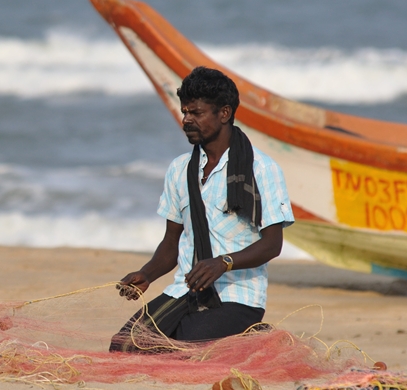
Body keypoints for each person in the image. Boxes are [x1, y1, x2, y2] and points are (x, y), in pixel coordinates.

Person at [110, 66, 293, 353]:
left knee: (177, 351)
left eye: (196, 113)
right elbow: (171, 243)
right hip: (184, 293)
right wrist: (146, 275)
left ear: (224, 113)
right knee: (123, 348)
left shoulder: (263, 169)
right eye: (185, 112)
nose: (186, 120)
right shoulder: (180, 169)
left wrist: (223, 263)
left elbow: (272, 245)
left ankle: (252, 336)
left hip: (237, 296)